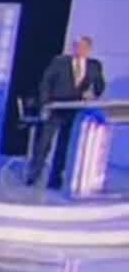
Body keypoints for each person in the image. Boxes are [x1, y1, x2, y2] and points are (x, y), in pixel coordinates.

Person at [26, 35, 106, 189]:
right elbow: (46, 83)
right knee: (44, 144)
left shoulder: (94, 65)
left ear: (89, 49)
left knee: (64, 145)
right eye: (77, 46)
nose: (79, 49)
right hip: (55, 109)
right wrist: (45, 105)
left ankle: (55, 179)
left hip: (74, 111)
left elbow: (99, 86)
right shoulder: (60, 62)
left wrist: (93, 94)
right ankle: (33, 175)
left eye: (83, 47)